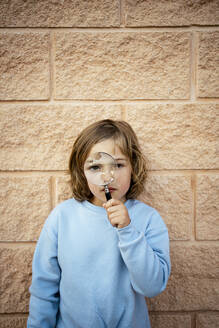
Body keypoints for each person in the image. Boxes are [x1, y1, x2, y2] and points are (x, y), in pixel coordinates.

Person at [27, 119, 171, 328]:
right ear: (81, 172)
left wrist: (128, 230)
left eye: (118, 165)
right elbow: (43, 288)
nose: (107, 176)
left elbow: (153, 286)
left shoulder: (148, 219)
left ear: (134, 167)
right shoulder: (62, 217)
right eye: (95, 167)